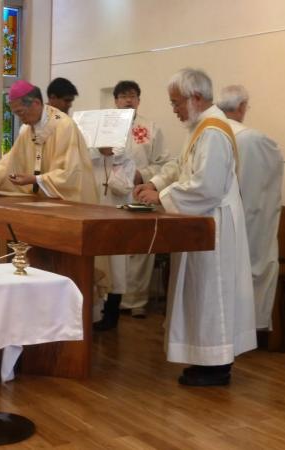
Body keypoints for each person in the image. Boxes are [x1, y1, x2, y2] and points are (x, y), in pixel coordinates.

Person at [135, 68, 256, 386]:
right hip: (200, 223)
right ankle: (205, 360)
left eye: (176, 102)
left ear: (197, 98)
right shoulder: (200, 126)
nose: (173, 108)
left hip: (212, 225)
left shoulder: (213, 131)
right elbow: (181, 164)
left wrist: (160, 197)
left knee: (211, 294)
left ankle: (217, 366)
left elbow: (206, 186)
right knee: (199, 295)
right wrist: (155, 182)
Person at [99, 80, 173, 321]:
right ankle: (112, 297)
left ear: (139, 100)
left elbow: (162, 162)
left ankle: (137, 300)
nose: (128, 100)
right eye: (123, 96)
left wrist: (144, 174)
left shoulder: (150, 128)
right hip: (110, 195)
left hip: (140, 190)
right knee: (113, 246)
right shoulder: (104, 127)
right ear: (116, 100)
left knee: (139, 247)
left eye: (132, 96)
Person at [0, 80, 97, 204]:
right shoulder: (28, 130)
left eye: (21, 112)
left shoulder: (64, 126)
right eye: (17, 114)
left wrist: (36, 179)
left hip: (68, 205)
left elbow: (71, 172)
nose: (21, 119)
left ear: (36, 103)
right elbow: (10, 161)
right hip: (41, 202)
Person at [217, 85, 284, 330]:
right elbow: (262, 193)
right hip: (248, 219)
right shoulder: (254, 139)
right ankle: (249, 327)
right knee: (252, 264)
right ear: (242, 107)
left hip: (216, 221)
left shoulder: (208, 133)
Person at [90, 137, 136, 331]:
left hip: (117, 219)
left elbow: (123, 187)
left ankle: (112, 315)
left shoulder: (126, 161)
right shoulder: (90, 161)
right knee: (97, 267)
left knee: (117, 269)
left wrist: (115, 161)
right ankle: (94, 315)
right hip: (94, 219)